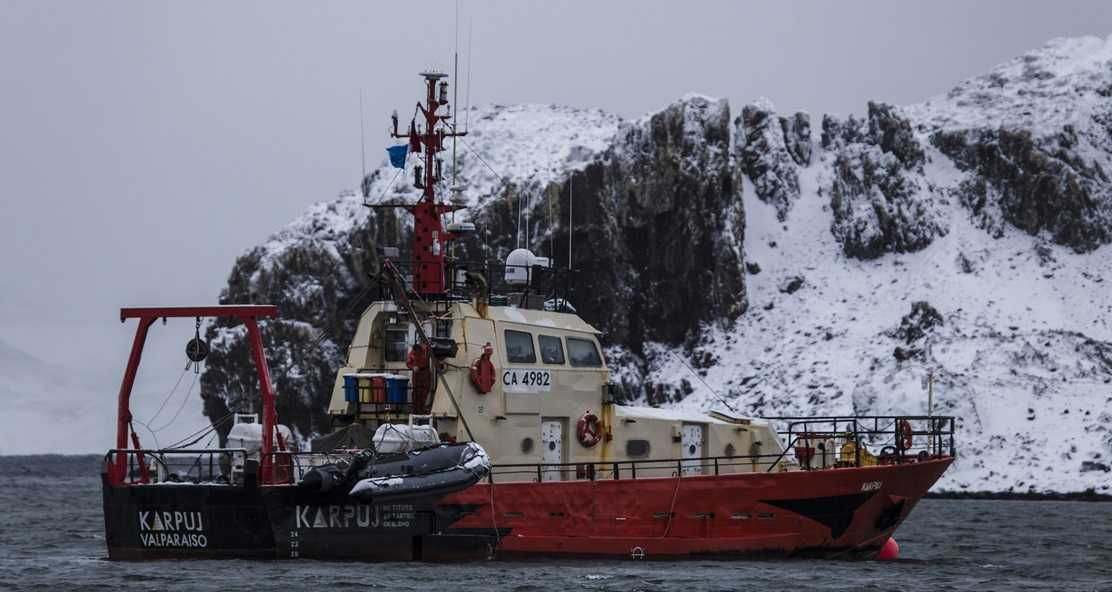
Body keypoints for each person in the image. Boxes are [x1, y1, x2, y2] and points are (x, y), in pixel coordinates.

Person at [406, 342, 431, 414]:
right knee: (416, 390)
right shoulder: (412, 353)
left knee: (425, 390)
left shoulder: (426, 350)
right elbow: (408, 363)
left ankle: (421, 407)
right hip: (417, 373)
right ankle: (416, 408)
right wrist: (413, 367)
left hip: (425, 372)